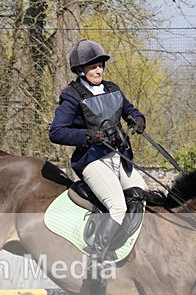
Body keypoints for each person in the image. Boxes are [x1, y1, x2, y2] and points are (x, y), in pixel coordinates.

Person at [49, 38, 147, 260]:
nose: (98, 69)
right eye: (93, 66)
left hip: (119, 156)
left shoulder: (113, 89)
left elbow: (130, 110)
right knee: (118, 207)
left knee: (139, 195)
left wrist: (138, 119)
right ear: (81, 71)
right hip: (92, 160)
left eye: (100, 65)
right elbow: (56, 132)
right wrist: (87, 136)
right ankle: (95, 258)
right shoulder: (71, 96)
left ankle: (116, 247)